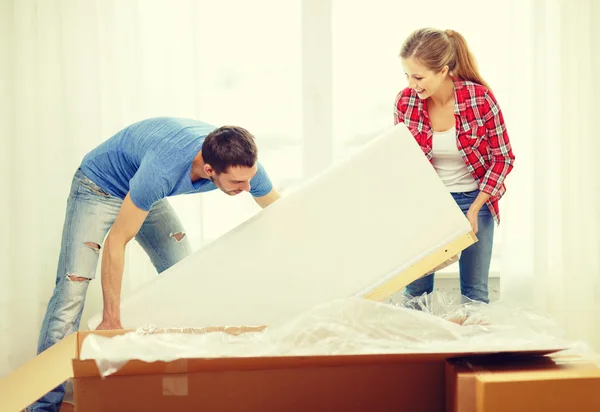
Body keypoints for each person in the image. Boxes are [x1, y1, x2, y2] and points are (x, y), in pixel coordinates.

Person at [28, 116, 281, 411]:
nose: (248, 187)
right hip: (99, 186)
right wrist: (112, 318)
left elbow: (280, 211)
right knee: (72, 290)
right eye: (238, 182)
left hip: (142, 187)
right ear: (210, 169)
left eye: (249, 178)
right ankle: (43, 406)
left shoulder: (245, 168)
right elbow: (117, 240)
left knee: (183, 272)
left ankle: (175, 387)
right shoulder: (162, 169)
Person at [393, 28, 515, 304]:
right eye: (407, 75)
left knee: (475, 295)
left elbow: (503, 158)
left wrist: (474, 210)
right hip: (429, 204)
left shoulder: (480, 99)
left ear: (444, 71)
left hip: (475, 201)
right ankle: (419, 346)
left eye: (419, 77)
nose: (412, 84)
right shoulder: (405, 102)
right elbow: (402, 162)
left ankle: (470, 347)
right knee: (415, 294)